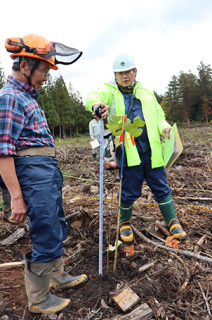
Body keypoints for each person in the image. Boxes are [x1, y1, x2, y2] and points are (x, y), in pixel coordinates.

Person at [0, 34, 87, 314]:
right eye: (44, 71)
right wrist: (15, 196)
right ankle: (38, 299)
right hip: (31, 173)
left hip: (44, 171)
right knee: (45, 230)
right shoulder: (10, 97)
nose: (46, 77)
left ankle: (57, 276)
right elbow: (3, 151)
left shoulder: (28, 96)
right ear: (24, 66)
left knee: (56, 223)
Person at [85, 52, 186, 245]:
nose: (124, 76)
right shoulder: (109, 90)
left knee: (161, 186)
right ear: (115, 75)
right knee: (130, 189)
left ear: (135, 71)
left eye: (128, 71)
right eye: (120, 72)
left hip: (152, 150)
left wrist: (164, 127)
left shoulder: (146, 92)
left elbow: (158, 116)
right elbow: (93, 96)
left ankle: (172, 221)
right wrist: (95, 105)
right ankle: (124, 223)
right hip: (129, 152)